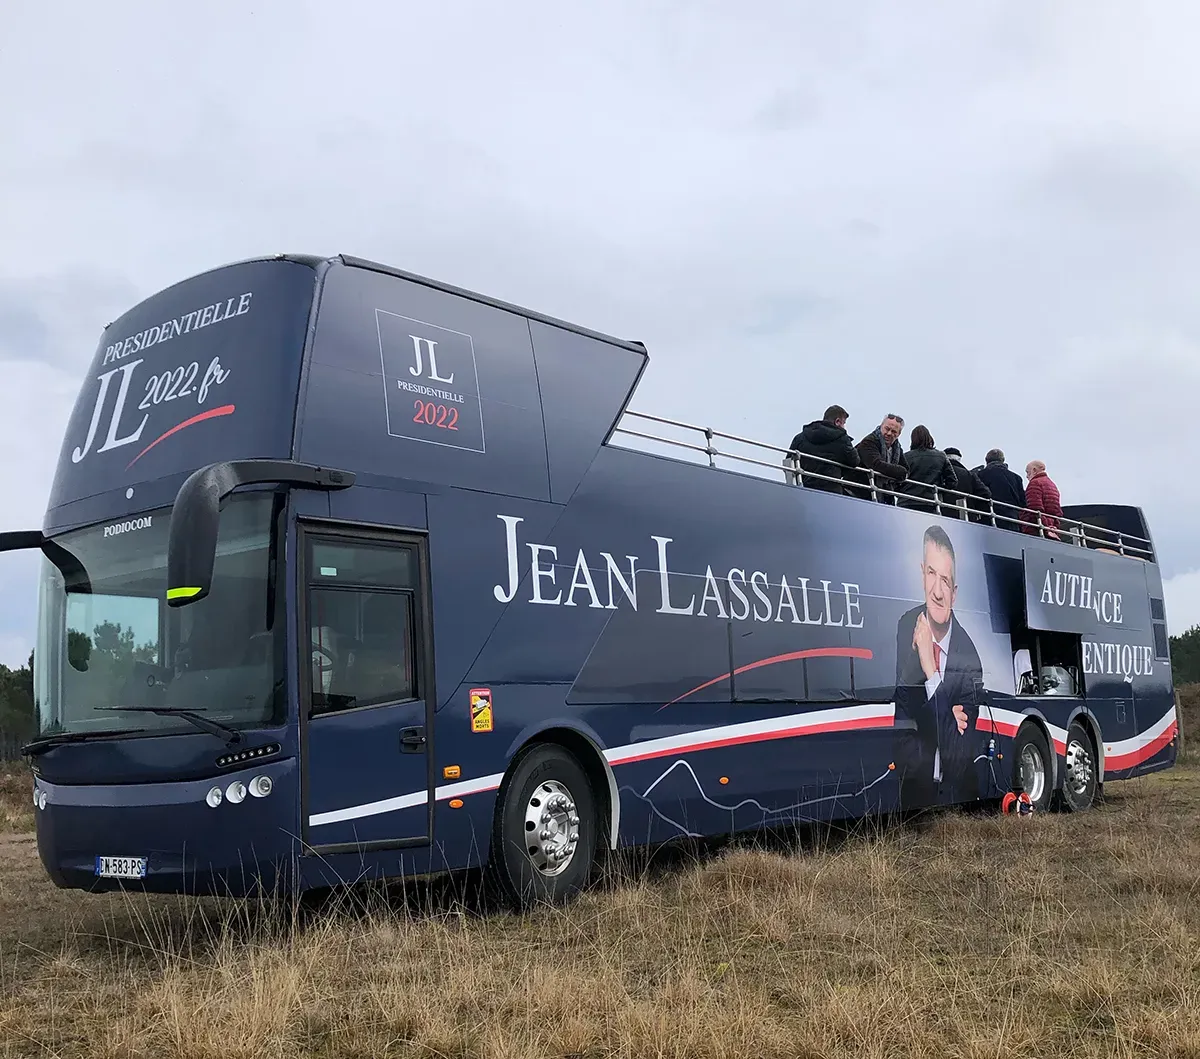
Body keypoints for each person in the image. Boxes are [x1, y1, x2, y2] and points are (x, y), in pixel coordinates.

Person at [893, 525, 984, 809]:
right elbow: (903, 719)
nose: (937, 591)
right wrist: (944, 715)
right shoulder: (905, 625)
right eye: (931, 573)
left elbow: (957, 757)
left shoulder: (969, 659)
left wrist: (931, 670)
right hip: (910, 793)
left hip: (952, 799)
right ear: (922, 574)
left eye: (945, 580)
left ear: (954, 593)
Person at [787, 405, 860, 494]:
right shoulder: (841, 438)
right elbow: (854, 461)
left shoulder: (800, 437)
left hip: (804, 488)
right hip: (831, 492)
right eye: (844, 423)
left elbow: (789, 462)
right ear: (837, 422)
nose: (844, 427)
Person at [849, 413, 909, 503]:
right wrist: (899, 473)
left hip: (881, 495)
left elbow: (906, 470)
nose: (889, 433)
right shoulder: (868, 442)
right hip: (858, 494)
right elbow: (876, 464)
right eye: (887, 429)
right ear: (881, 426)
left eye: (893, 432)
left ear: (898, 434)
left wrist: (901, 473)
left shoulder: (897, 449)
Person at [897, 425, 956, 513]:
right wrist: (939, 488)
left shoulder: (905, 457)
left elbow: (896, 481)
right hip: (930, 502)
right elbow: (952, 481)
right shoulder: (941, 456)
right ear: (929, 437)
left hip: (906, 502)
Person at [974, 449, 1026, 529]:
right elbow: (1023, 503)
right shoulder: (1017, 478)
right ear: (1003, 460)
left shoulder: (981, 474)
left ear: (986, 460)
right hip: (1013, 520)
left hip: (989, 518)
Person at [944, 447, 992, 522]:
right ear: (959, 459)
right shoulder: (969, 474)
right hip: (967, 517)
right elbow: (986, 493)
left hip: (943, 515)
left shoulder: (940, 472)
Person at [1022, 460, 1063, 539]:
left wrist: (1046, 528)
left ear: (1034, 470)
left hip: (1037, 529)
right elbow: (1057, 512)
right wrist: (1054, 528)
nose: (1027, 476)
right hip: (1052, 528)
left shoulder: (1035, 483)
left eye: (1027, 472)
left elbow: (1035, 509)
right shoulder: (1053, 485)